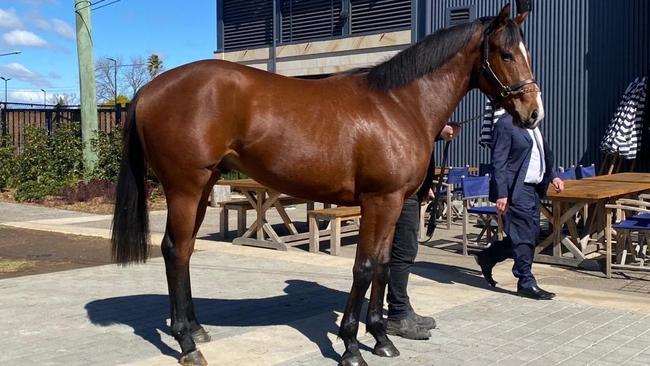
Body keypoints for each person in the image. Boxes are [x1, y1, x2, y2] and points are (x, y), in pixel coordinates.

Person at [474, 113, 564, 300]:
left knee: (530, 234)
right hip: (516, 188)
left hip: (534, 189)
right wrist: (502, 193)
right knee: (524, 236)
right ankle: (525, 282)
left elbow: (542, 153)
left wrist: (553, 175)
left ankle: (489, 256)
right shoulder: (506, 124)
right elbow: (499, 160)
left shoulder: (532, 124)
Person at [385, 123, 460, 340]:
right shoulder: (407, 110)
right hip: (403, 190)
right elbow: (409, 134)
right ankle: (397, 314)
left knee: (406, 250)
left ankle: (402, 306)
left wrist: (424, 183)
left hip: (412, 188)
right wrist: (439, 132)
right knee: (403, 250)